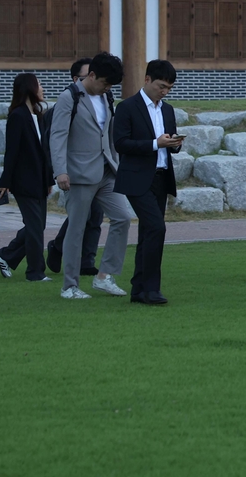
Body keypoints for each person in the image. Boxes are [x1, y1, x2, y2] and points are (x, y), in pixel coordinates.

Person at [48, 52, 134, 300]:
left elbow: (108, 132)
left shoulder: (106, 95)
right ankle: (69, 286)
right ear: (92, 75)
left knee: (122, 218)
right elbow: (58, 135)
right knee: (76, 230)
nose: (107, 88)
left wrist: (117, 162)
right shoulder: (69, 97)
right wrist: (60, 171)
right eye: (105, 83)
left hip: (107, 170)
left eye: (111, 85)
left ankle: (104, 276)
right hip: (78, 174)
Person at [112, 59, 184, 306]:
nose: (164, 91)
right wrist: (156, 143)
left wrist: (175, 143)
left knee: (148, 232)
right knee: (156, 228)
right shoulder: (127, 107)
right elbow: (120, 144)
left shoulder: (167, 110)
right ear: (147, 80)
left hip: (162, 178)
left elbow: (169, 144)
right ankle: (152, 289)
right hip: (136, 178)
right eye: (161, 86)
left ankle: (139, 289)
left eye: (169, 88)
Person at [0, 73, 53, 282]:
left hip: (40, 180)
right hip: (24, 181)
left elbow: (43, 153)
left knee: (38, 226)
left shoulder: (37, 115)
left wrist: (49, 180)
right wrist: (5, 182)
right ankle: (35, 272)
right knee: (35, 227)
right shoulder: (17, 116)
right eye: (40, 85)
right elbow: (12, 152)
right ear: (29, 88)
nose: (43, 88)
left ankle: (5, 255)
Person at [45, 58, 104, 276]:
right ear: (76, 79)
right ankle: (59, 247)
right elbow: (53, 140)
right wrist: (58, 171)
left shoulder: (103, 100)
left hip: (99, 169)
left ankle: (87, 261)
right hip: (75, 172)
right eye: (87, 76)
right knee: (81, 217)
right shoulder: (67, 102)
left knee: (96, 216)